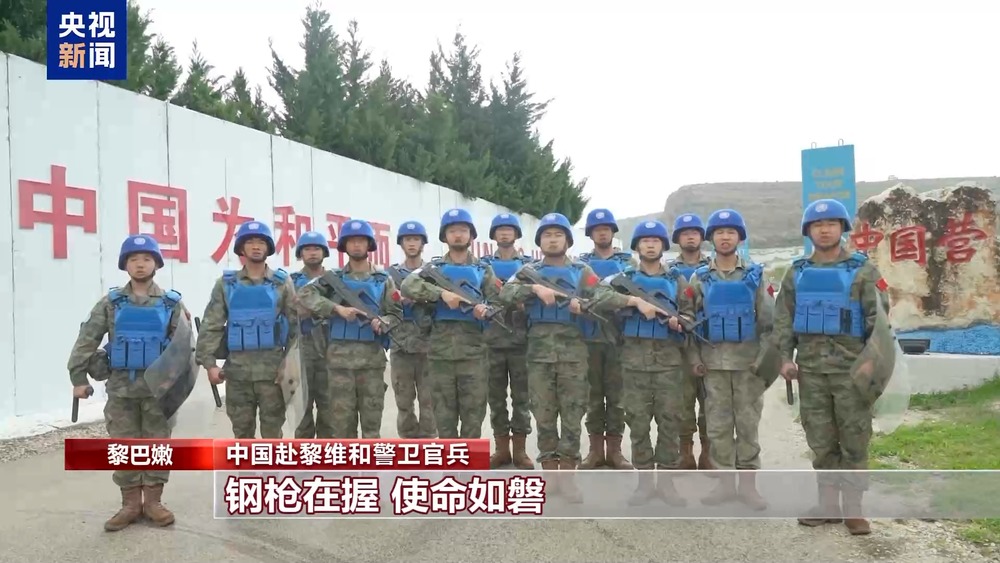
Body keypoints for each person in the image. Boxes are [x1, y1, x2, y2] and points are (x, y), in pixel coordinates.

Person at [67, 234, 191, 531]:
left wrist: (179, 387)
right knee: (123, 446)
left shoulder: (171, 303)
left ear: (156, 264)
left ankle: (154, 502)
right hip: (122, 390)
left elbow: (185, 348)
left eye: (147, 259)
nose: (140, 264)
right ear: (125, 265)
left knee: (158, 446)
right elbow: (86, 340)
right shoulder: (111, 304)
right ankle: (130, 504)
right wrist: (78, 378)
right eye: (134, 259)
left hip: (158, 392)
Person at [774, 199, 883, 536]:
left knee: (854, 438)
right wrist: (785, 358)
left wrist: (872, 363)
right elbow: (784, 319)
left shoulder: (863, 270)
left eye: (831, 224)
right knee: (821, 440)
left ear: (842, 229)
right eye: (817, 225)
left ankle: (854, 509)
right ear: (808, 231)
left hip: (853, 371)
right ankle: (827, 505)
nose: (824, 230)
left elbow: (879, 321)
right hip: (811, 371)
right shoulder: (796, 273)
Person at [496, 213, 600, 504]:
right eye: (547, 235)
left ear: (568, 240)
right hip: (539, 355)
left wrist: (584, 306)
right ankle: (550, 474)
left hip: (573, 355)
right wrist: (534, 288)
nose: (552, 240)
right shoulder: (528, 271)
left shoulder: (582, 271)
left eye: (558, 234)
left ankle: (568, 476)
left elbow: (604, 298)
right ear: (539, 241)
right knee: (543, 415)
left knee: (572, 415)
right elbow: (504, 293)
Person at [590, 220, 694, 507]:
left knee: (670, 422)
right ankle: (645, 483)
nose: (650, 245)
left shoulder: (677, 280)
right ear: (636, 246)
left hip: (669, 364)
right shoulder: (624, 277)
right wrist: (634, 302)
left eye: (655, 240)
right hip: (633, 362)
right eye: (645, 241)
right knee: (637, 422)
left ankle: (667, 483)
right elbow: (598, 297)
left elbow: (691, 314)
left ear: (663, 246)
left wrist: (680, 322)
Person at [680, 209, 773, 509]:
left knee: (747, 426)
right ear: (711, 238)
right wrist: (694, 358)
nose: (725, 237)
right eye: (719, 232)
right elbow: (688, 321)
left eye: (731, 232)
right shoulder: (699, 277)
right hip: (713, 366)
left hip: (748, 366)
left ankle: (748, 486)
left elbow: (768, 322)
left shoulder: (755, 275)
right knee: (718, 427)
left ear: (739, 238)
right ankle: (724, 484)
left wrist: (764, 362)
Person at [400, 208, 501, 439]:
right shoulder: (433, 269)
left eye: (463, 230)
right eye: (452, 230)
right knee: (444, 420)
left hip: (474, 353)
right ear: (444, 236)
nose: (458, 235)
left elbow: (498, 302)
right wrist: (441, 294)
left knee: (473, 418)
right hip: (440, 354)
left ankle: (469, 463)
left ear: (471, 235)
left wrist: (486, 310)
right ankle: (450, 463)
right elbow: (408, 285)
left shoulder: (483, 269)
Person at [297, 219, 402, 439]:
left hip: (371, 364)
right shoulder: (332, 280)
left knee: (372, 430)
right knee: (342, 431)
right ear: (344, 245)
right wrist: (336, 309)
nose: (356, 245)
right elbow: (304, 294)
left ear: (369, 244)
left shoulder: (383, 280)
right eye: (351, 241)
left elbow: (396, 315)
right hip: (339, 365)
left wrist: (383, 321)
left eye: (361, 240)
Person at [196, 221, 299, 439]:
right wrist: (210, 364)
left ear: (268, 247)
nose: (256, 246)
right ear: (241, 248)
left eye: (261, 242)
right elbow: (211, 325)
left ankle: (271, 465)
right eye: (250, 242)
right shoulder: (225, 284)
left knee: (272, 435)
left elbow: (295, 327)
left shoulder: (282, 282)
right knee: (242, 435)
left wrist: (289, 365)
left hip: (273, 374)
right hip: (237, 374)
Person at [576, 208, 636, 470]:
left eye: (606, 229)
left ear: (612, 232)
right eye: (597, 229)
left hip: (619, 338)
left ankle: (615, 451)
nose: (602, 233)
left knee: (617, 397)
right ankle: (595, 451)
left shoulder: (628, 264)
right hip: (588, 338)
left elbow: (640, 293)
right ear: (590, 234)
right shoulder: (580, 265)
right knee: (592, 396)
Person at [480, 213, 535, 469]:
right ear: (493, 235)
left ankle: (520, 450)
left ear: (516, 234)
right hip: (491, 341)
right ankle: (501, 449)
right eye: (500, 229)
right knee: (496, 399)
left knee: (522, 398)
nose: (504, 233)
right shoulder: (483, 266)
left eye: (509, 229)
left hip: (521, 341)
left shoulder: (529, 266)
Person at [667, 213, 713, 471]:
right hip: (680, 346)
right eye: (685, 233)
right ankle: (685, 453)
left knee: (710, 402)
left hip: (709, 344)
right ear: (677, 238)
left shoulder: (714, 267)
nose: (690, 237)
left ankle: (708, 452)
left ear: (702, 237)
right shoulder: (669, 271)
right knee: (682, 403)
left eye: (695, 232)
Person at [387, 220, 437, 439]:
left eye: (416, 239)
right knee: (404, 401)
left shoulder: (433, 273)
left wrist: (419, 297)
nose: (412, 243)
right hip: (400, 346)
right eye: (408, 239)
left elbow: (442, 301)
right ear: (401, 243)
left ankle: (429, 445)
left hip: (428, 345)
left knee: (429, 401)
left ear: (423, 243)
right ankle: (408, 445)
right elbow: (382, 306)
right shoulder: (391, 275)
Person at [290, 231, 334, 439]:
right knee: (302, 410)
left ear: (324, 252)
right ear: (301, 254)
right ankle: (304, 455)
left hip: (331, 349)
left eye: (317, 248)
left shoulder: (335, 280)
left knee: (330, 409)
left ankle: (328, 455)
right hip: (301, 350)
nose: (312, 253)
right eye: (307, 249)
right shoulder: (291, 282)